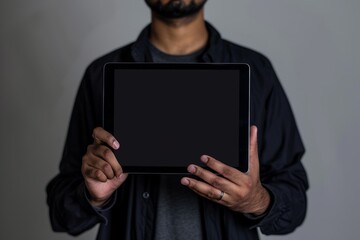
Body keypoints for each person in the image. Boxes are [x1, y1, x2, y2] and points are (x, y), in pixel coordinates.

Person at [46, 0, 309, 239]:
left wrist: (256, 201)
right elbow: (63, 216)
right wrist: (93, 196)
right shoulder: (100, 76)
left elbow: (295, 203)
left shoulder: (257, 72)